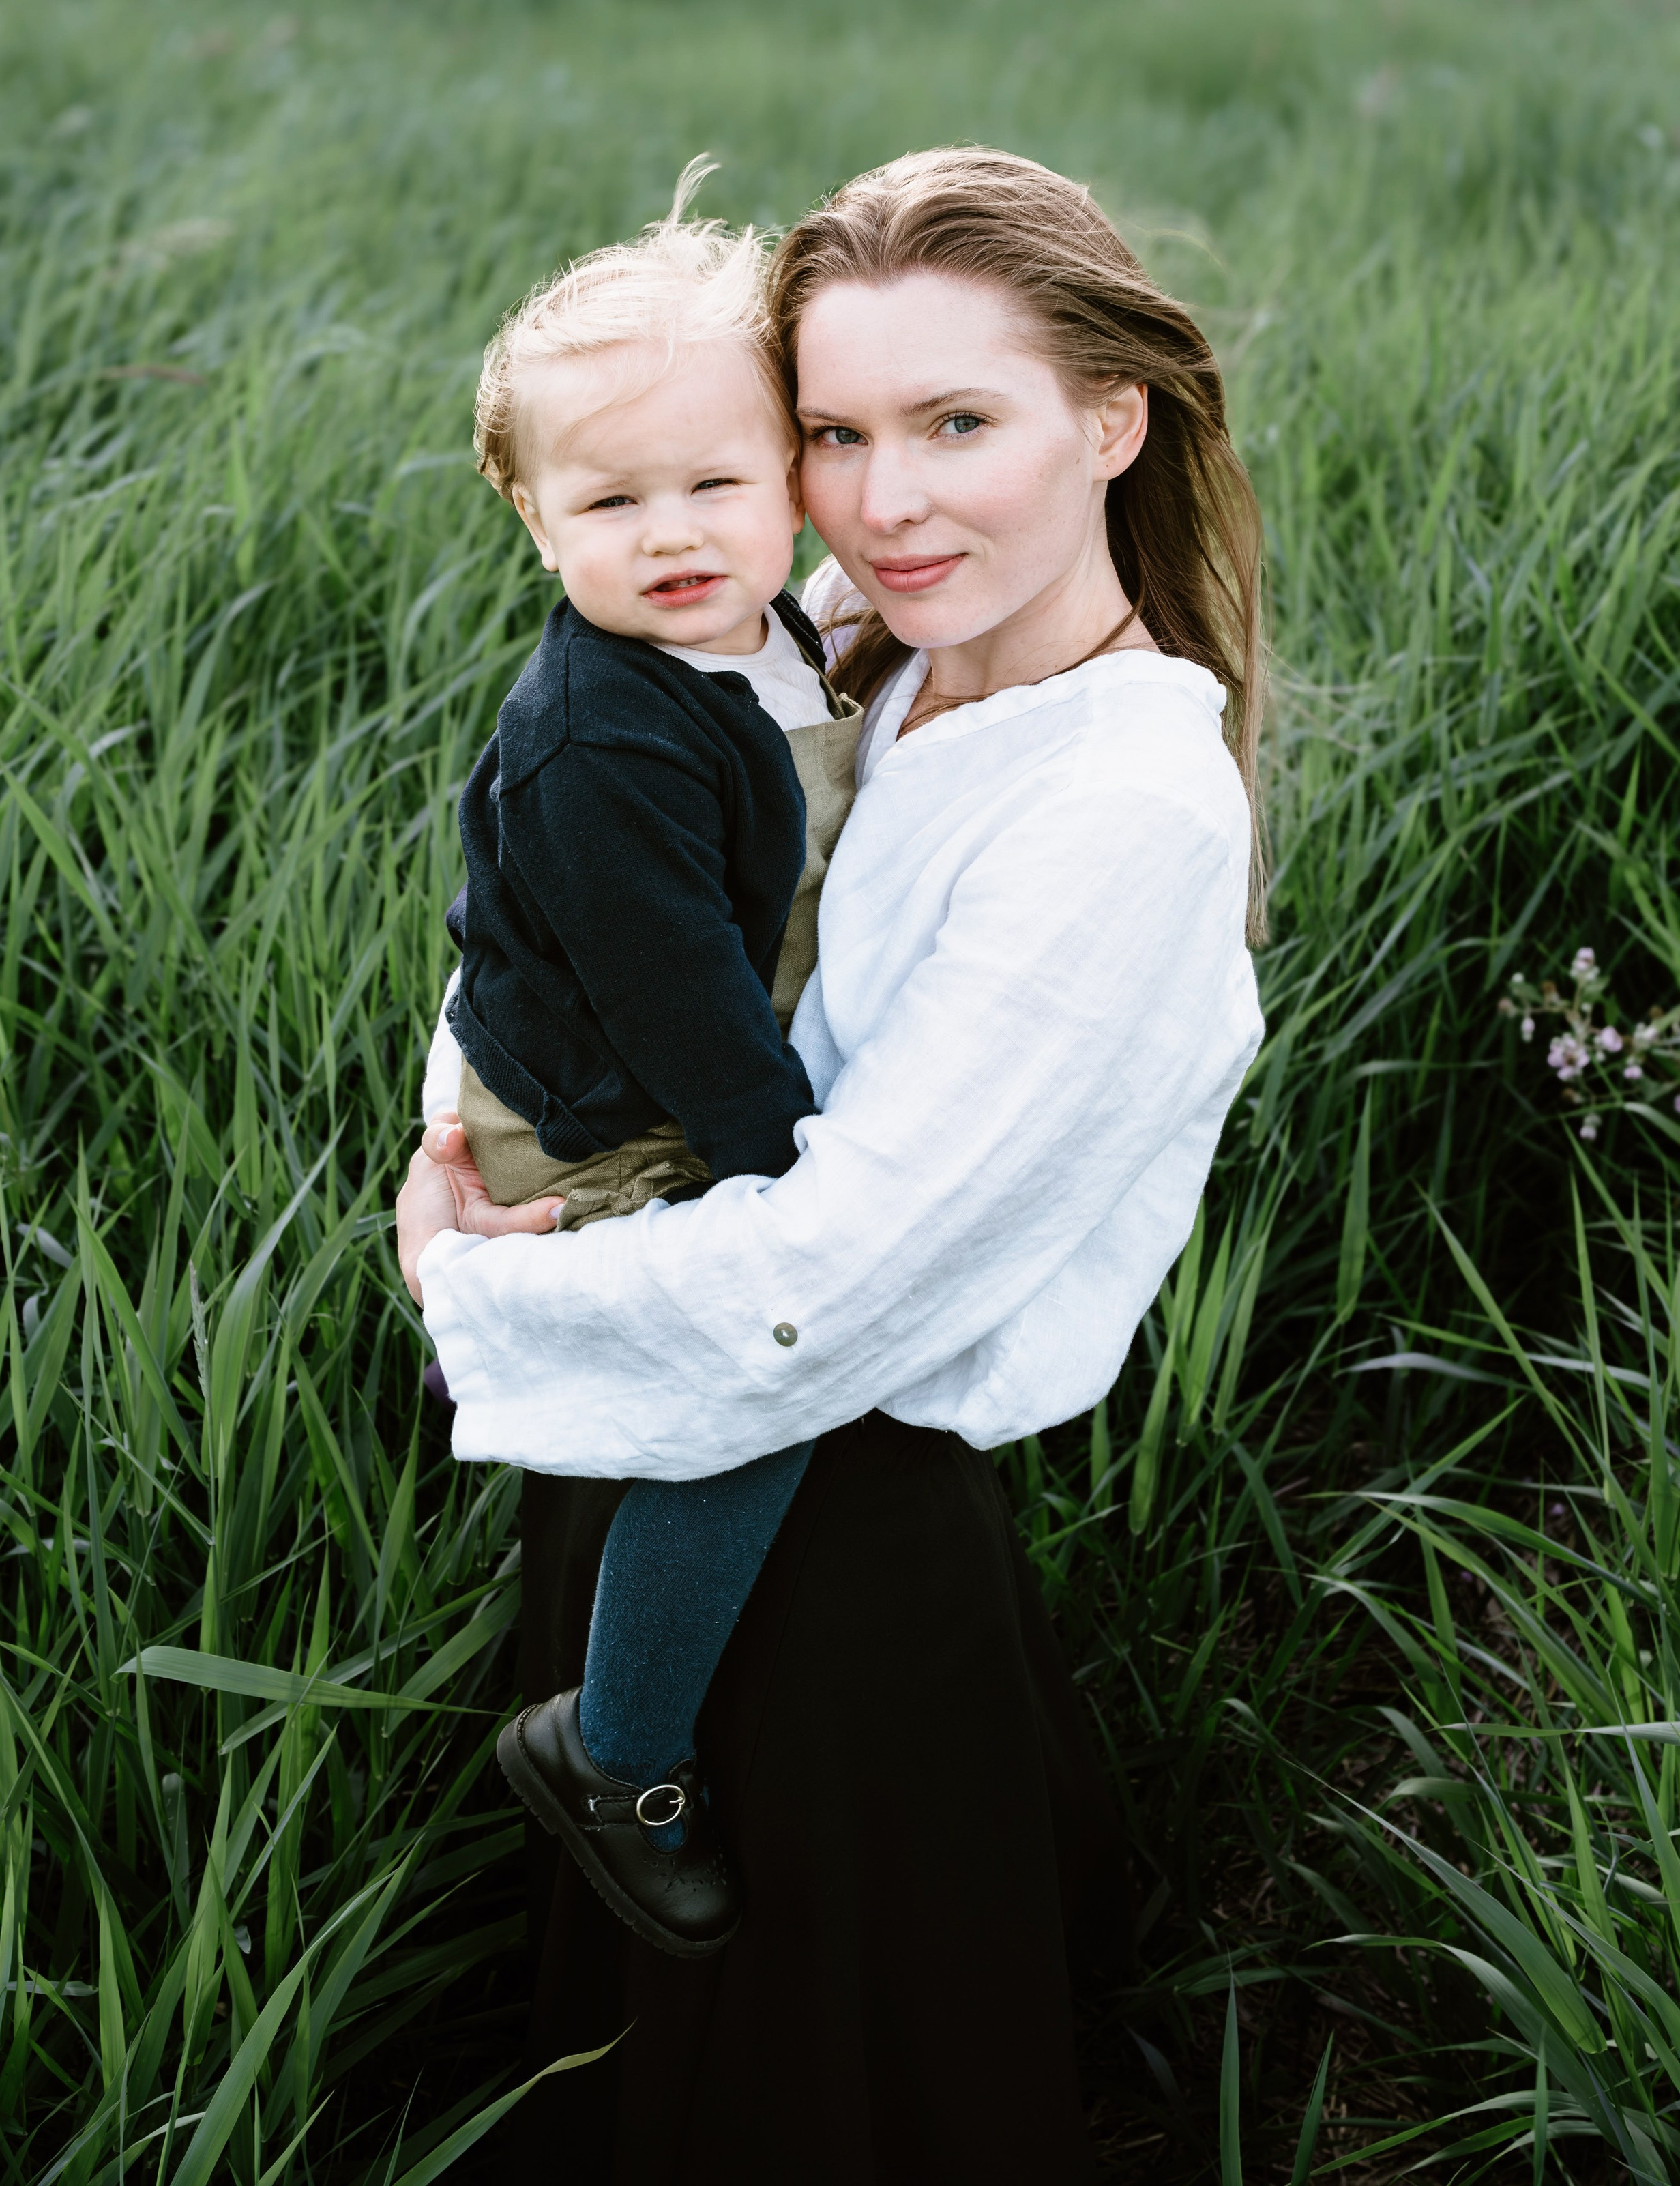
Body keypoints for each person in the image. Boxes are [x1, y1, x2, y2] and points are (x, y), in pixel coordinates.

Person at [399, 145, 1267, 2183]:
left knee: (812, 2091)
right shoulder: (843, 642)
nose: (887, 502)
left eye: (959, 425)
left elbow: (837, 1276)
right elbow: (581, 905)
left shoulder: (1118, 807)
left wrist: (476, 1287)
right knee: (641, 2079)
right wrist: (456, 1133)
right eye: (837, 434)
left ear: (1112, 420)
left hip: (824, 1522)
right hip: (657, 1408)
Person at [423, 162, 864, 1957]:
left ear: (789, 486)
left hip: (675, 1054)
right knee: (742, 1400)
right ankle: (619, 1748)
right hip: (608, 1118)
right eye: (611, 499)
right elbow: (679, 989)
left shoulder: (758, 626)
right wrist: (788, 1170)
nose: (673, 529)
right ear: (534, 524)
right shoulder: (604, 739)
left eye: (719, 484)